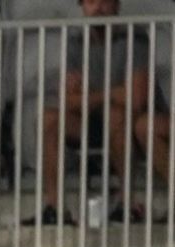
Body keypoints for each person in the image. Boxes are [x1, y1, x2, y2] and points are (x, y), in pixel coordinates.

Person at [31, 0, 167, 227]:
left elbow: (136, 99)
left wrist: (89, 94)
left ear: (117, 6)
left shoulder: (134, 37)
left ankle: (127, 204)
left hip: (133, 125)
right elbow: (68, 101)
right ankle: (54, 207)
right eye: (92, 1)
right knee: (48, 117)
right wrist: (113, 93)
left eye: (106, 1)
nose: (99, 8)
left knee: (116, 114)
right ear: (82, 6)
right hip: (94, 121)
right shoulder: (76, 41)